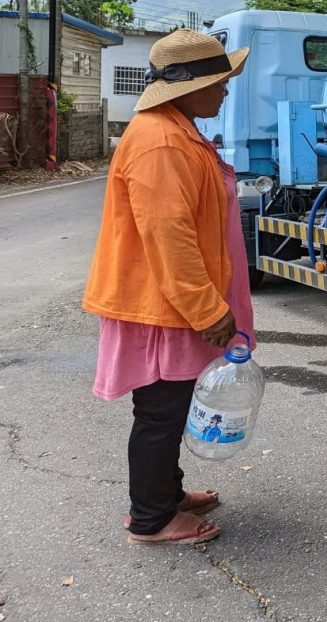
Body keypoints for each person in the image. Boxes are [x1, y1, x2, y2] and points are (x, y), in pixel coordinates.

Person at [83, 29, 254, 545]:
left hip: (176, 301)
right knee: (160, 412)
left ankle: (166, 493)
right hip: (166, 305)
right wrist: (208, 309)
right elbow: (168, 236)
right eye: (220, 83)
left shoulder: (178, 130)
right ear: (188, 87)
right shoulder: (160, 141)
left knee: (172, 406)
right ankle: (151, 518)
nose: (225, 92)